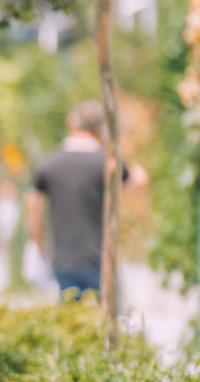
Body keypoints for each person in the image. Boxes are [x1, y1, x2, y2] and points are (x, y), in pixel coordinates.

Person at [26, 100, 147, 302]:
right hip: (100, 259)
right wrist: (115, 149)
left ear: (73, 124)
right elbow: (140, 180)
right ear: (102, 129)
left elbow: (32, 204)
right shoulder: (106, 163)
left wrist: (39, 245)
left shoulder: (49, 164)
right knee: (107, 325)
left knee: (73, 324)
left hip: (62, 259)